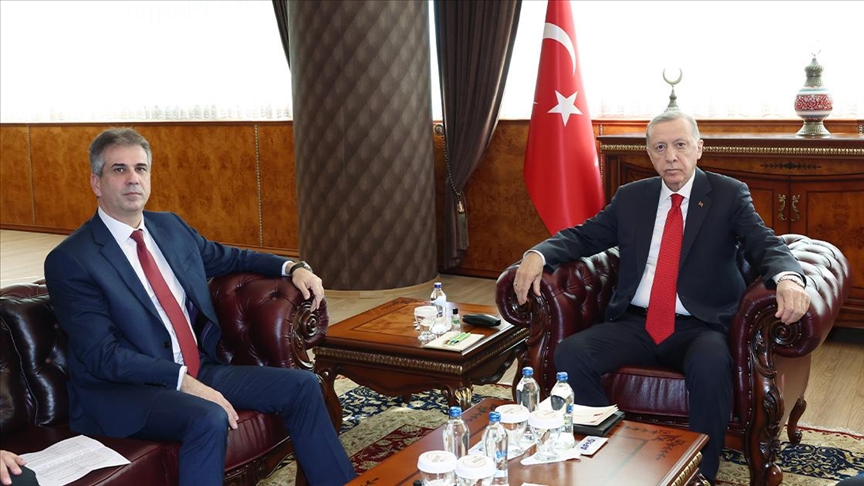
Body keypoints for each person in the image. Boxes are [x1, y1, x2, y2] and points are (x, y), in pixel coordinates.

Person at [43, 128, 356, 486]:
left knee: (303, 385)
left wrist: (292, 267)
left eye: (141, 168)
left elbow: (230, 257)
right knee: (207, 416)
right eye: (119, 169)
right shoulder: (73, 259)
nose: (133, 178)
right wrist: (180, 380)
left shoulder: (170, 227)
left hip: (198, 369)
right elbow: (103, 355)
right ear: (96, 182)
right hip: (126, 393)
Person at [512, 110, 811, 482]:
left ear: (699, 148)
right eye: (660, 148)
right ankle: (616, 453)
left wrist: (788, 279)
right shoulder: (632, 197)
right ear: (650, 154)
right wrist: (537, 254)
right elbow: (585, 236)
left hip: (700, 326)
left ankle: (699, 473)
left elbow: (764, 243)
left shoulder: (727, 194)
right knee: (571, 354)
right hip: (636, 322)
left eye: (680, 145)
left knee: (712, 364)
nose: (671, 156)